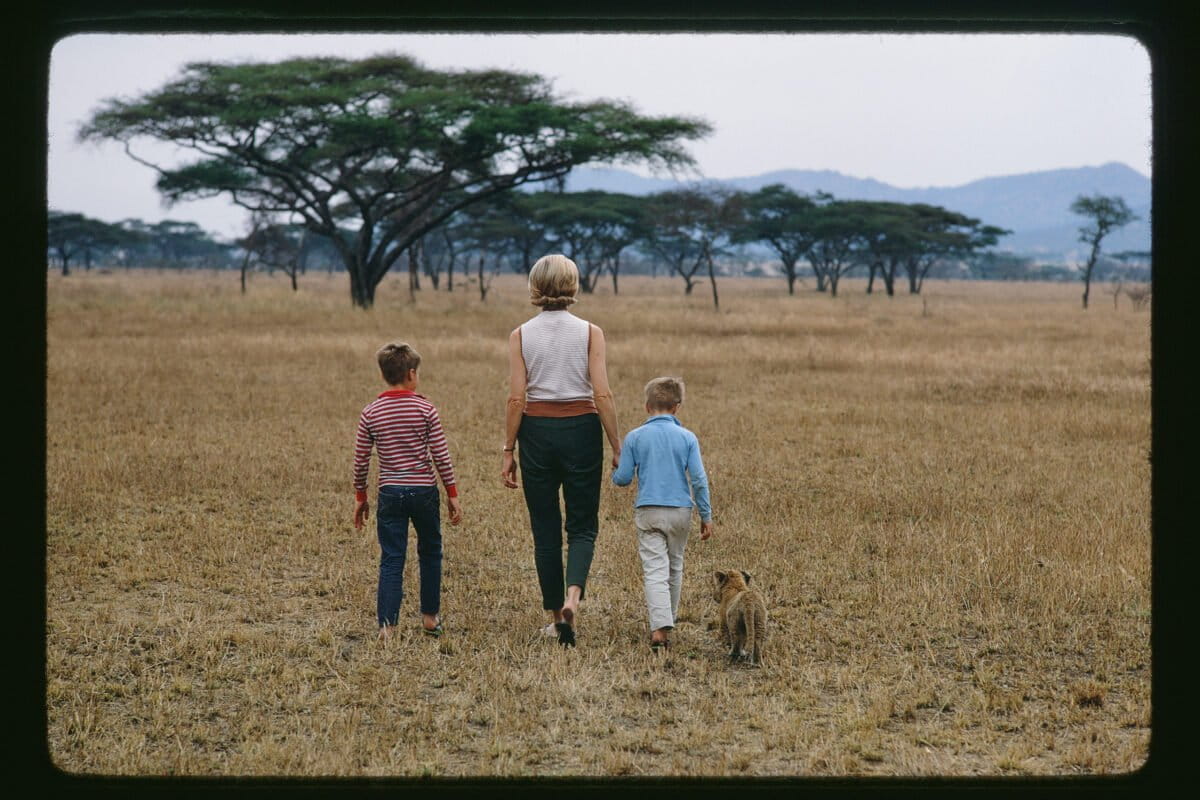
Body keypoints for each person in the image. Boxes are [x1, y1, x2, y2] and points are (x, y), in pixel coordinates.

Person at [501, 254, 621, 647]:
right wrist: (616, 444)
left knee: (545, 527)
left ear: (535, 286)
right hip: (582, 430)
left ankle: (556, 617)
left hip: (536, 432)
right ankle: (573, 598)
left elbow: (516, 398)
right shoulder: (591, 332)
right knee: (583, 525)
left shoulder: (521, 334)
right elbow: (601, 392)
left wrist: (508, 449)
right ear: (573, 285)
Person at [353, 342, 463, 641]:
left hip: (390, 492)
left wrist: (361, 497)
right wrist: (452, 492)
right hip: (424, 491)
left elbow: (361, 459)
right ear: (411, 374)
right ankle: (430, 618)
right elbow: (441, 454)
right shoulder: (426, 408)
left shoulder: (371, 412)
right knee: (430, 552)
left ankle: (387, 627)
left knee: (392, 558)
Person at [612, 376, 713, 651]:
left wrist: (616, 466)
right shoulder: (688, 437)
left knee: (654, 569)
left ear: (647, 406)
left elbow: (622, 479)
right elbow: (699, 480)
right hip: (681, 511)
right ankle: (669, 618)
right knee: (675, 565)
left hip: (648, 510)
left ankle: (659, 628)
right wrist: (706, 515)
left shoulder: (635, 437)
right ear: (677, 408)